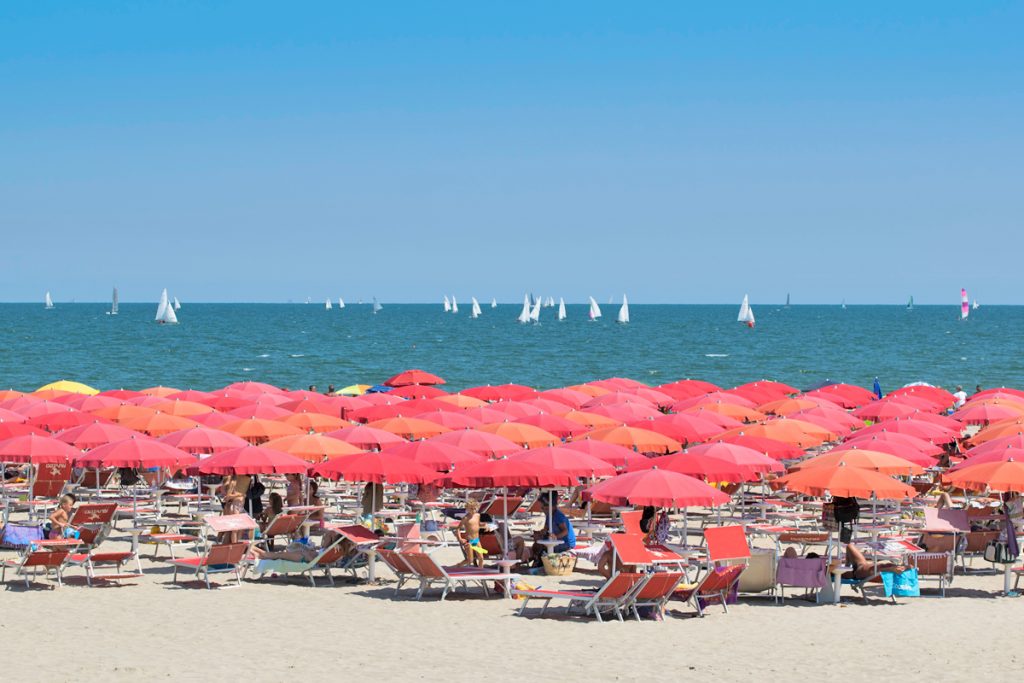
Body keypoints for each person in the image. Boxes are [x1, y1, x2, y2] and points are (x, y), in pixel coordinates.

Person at [530, 492, 576, 564]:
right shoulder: (549, 515)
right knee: (536, 544)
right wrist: (539, 533)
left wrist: (556, 536)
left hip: (566, 543)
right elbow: (545, 529)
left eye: (544, 508)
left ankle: (540, 562)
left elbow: (565, 531)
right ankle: (538, 561)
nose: (543, 510)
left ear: (551, 506)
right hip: (558, 540)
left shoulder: (558, 515)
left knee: (540, 546)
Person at [456, 499, 484, 567]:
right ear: (467, 508)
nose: (473, 510)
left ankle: (481, 573)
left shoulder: (478, 516)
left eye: (474, 508)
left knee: (481, 558)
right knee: (470, 560)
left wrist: (485, 525)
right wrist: (460, 538)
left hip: (476, 540)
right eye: (471, 509)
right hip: (469, 541)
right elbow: (458, 528)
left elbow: (479, 524)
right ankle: (459, 565)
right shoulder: (465, 518)